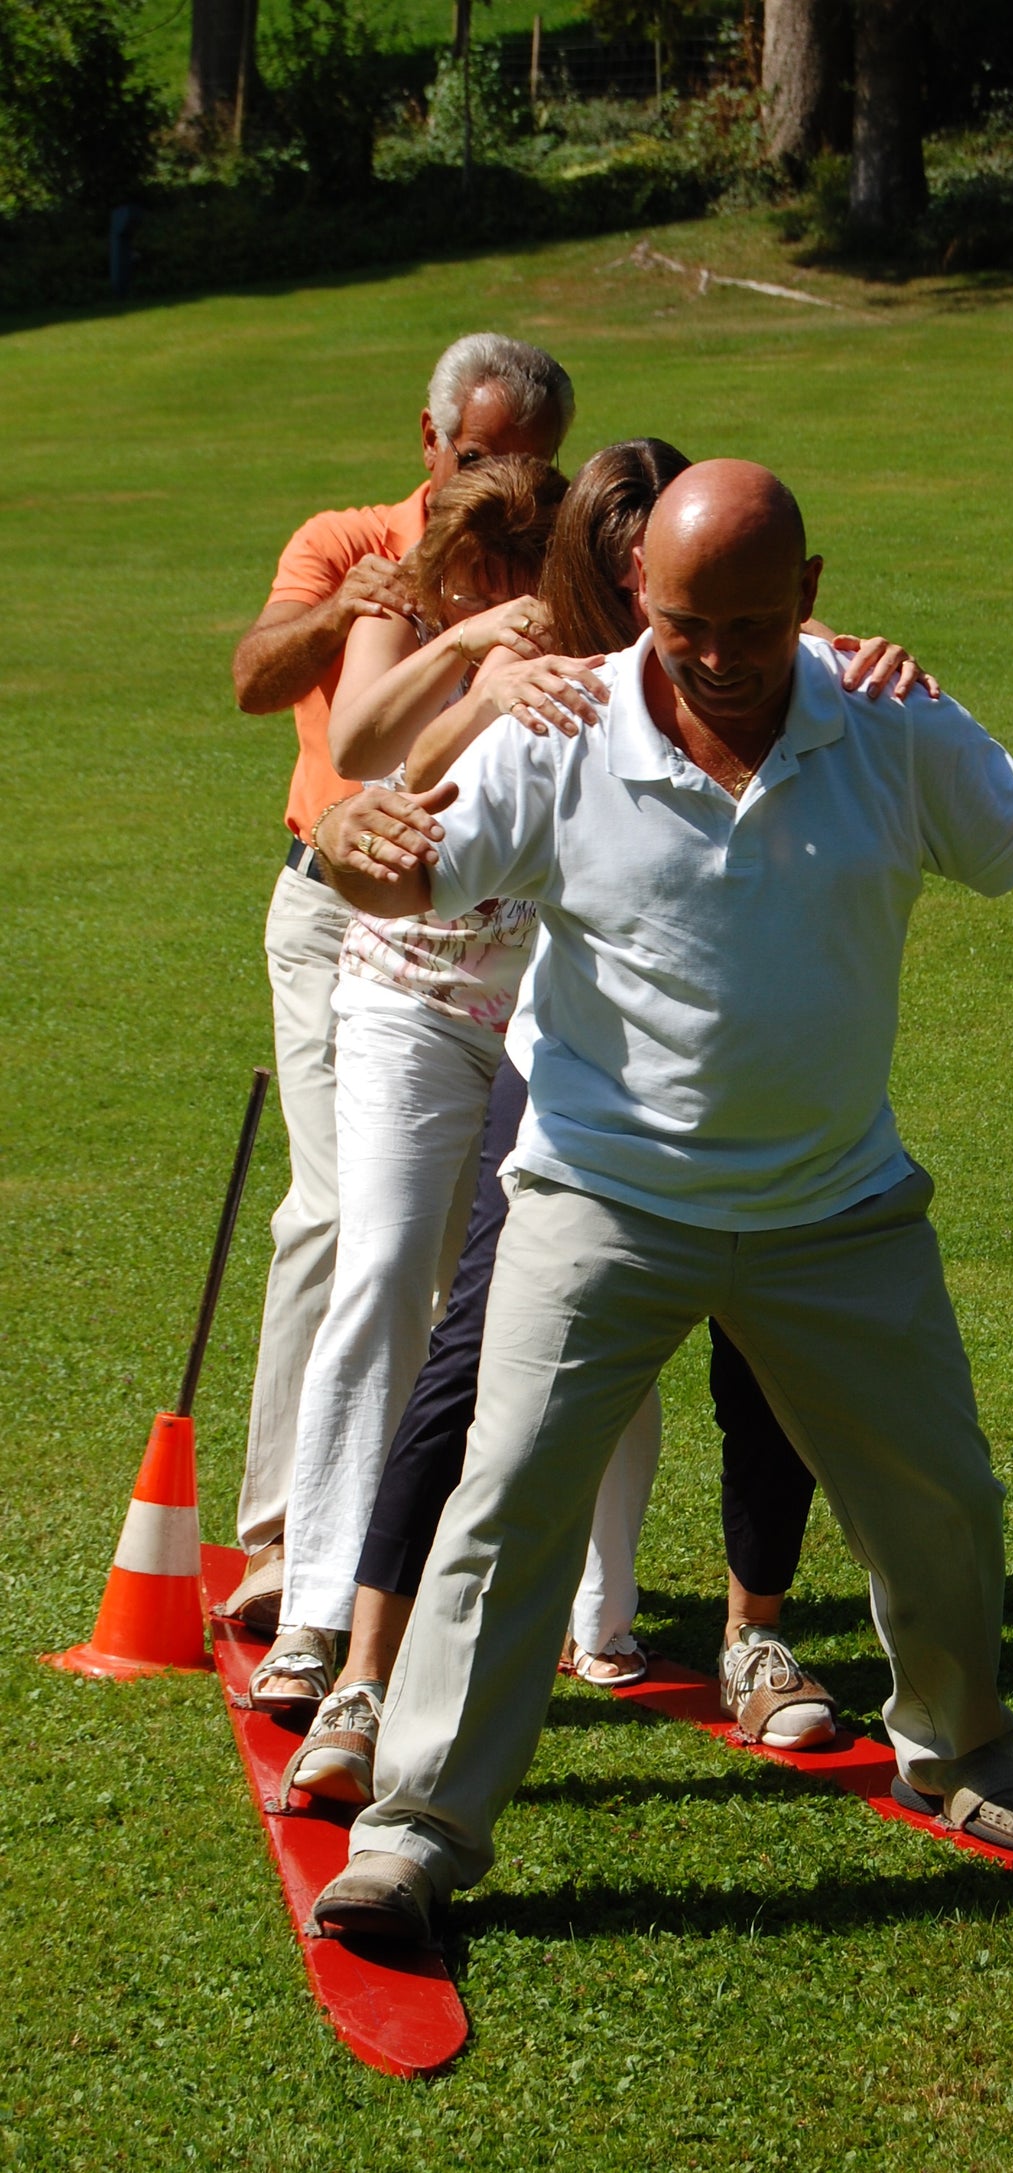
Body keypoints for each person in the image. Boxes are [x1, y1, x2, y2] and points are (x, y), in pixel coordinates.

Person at [302, 457, 1013, 1941]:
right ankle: (413, 1830)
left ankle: (956, 1747)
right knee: (504, 1510)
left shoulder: (889, 720)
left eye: (752, 624)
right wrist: (363, 839)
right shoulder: (559, 724)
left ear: (809, 596)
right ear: (637, 600)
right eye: (686, 627)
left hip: (832, 1207)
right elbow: (406, 867)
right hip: (598, 1194)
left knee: (940, 1499)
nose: (723, 659)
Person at [278, 439, 932, 1803]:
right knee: (449, 1326)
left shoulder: (744, 663)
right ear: (617, 575)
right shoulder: (541, 666)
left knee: (742, 1352)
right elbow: (360, 783)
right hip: (483, 1017)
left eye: (729, 611)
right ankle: (352, 1653)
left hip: (669, 1060)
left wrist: (863, 662)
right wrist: (479, 690)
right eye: (667, 600)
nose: (699, 640)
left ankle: (705, 1632)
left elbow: (807, 680)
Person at [220, 335, 575, 1634]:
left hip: (491, 928)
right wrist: (356, 606)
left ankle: (403, 1539)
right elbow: (256, 680)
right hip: (335, 913)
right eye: (479, 454)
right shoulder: (348, 538)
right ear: (428, 440)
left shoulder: (548, 556)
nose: (502, 477)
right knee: (337, 1217)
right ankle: (281, 1538)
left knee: (466, 1252)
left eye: (529, 459)